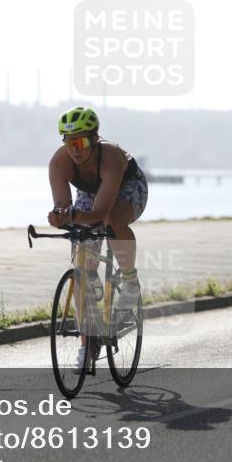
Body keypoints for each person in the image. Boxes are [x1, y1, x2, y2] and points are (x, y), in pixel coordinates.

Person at [46, 107, 148, 367]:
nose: (75, 149)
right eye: (69, 142)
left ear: (94, 138)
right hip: (90, 193)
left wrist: (73, 216)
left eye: (80, 141)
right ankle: (87, 342)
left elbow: (100, 212)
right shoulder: (59, 163)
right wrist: (60, 217)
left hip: (127, 186)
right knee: (82, 266)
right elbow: (65, 208)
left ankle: (129, 280)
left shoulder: (111, 156)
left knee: (111, 220)